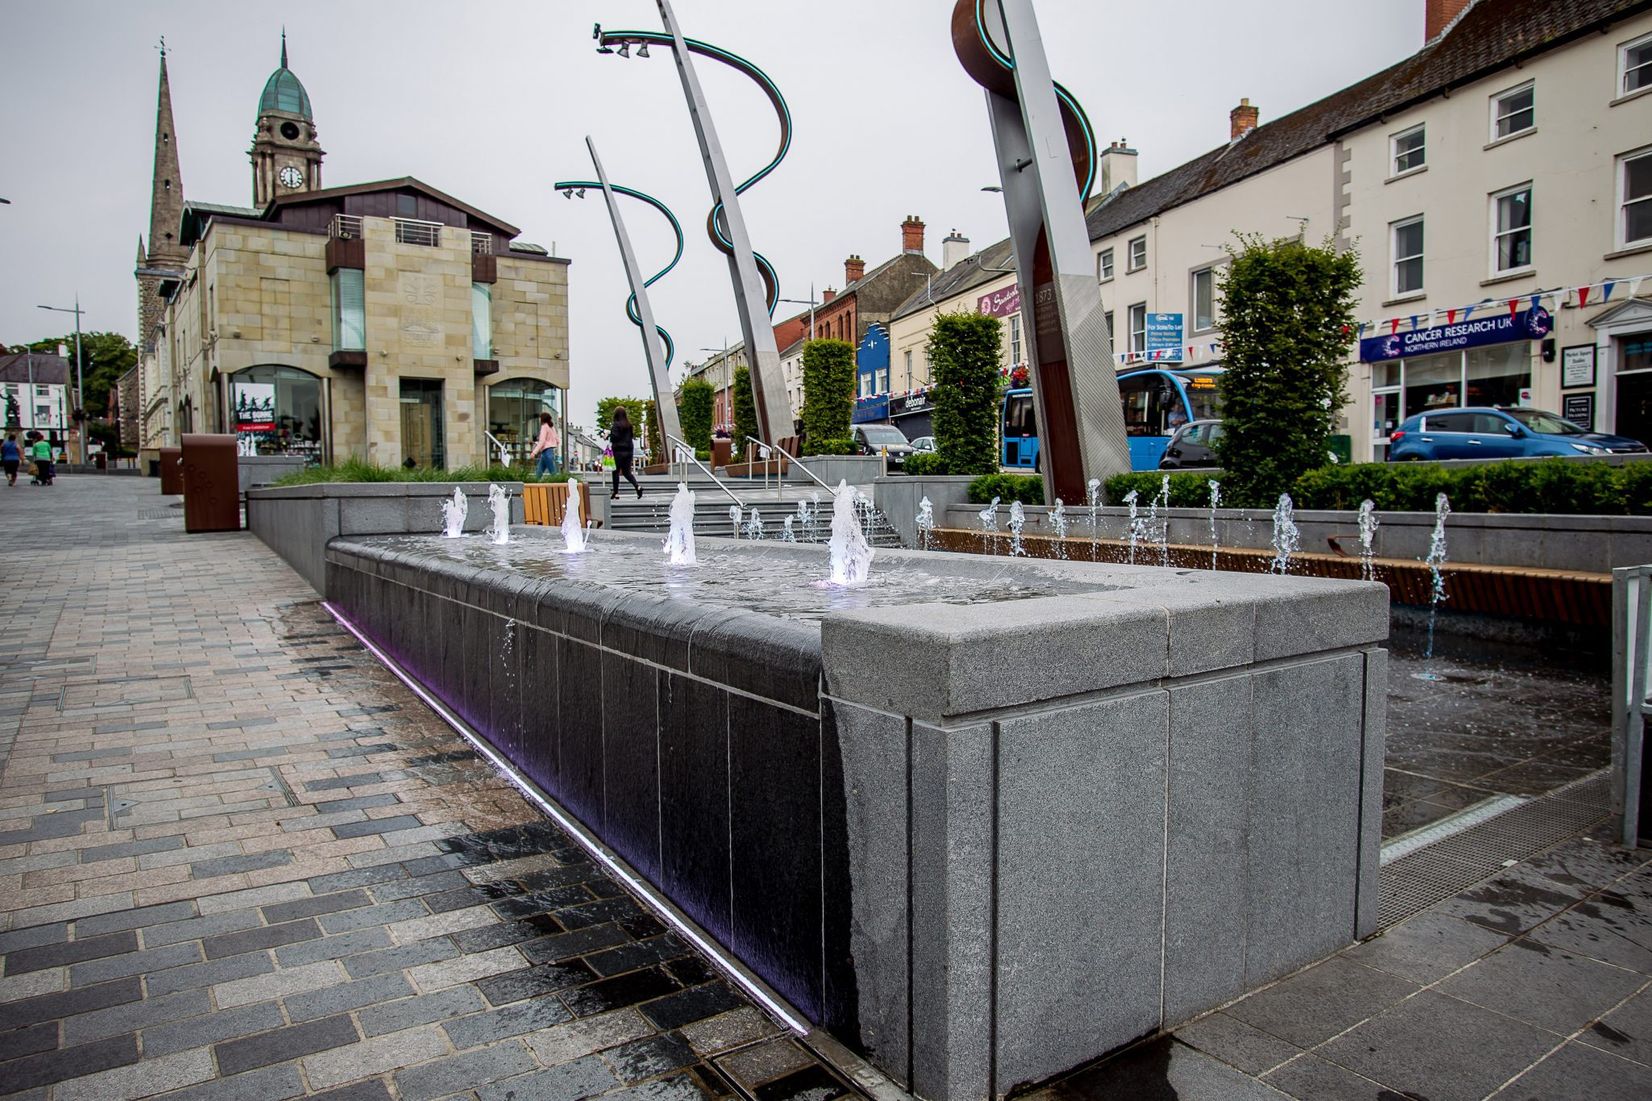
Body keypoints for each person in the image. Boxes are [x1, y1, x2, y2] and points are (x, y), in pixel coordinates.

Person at [609, 406, 641, 500]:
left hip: (618, 451)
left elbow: (614, 437)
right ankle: (637, 486)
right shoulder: (629, 425)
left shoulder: (616, 425)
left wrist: (608, 435)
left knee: (616, 472)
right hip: (628, 451)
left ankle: (616, 492)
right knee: (627, 472)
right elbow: (631, 436)